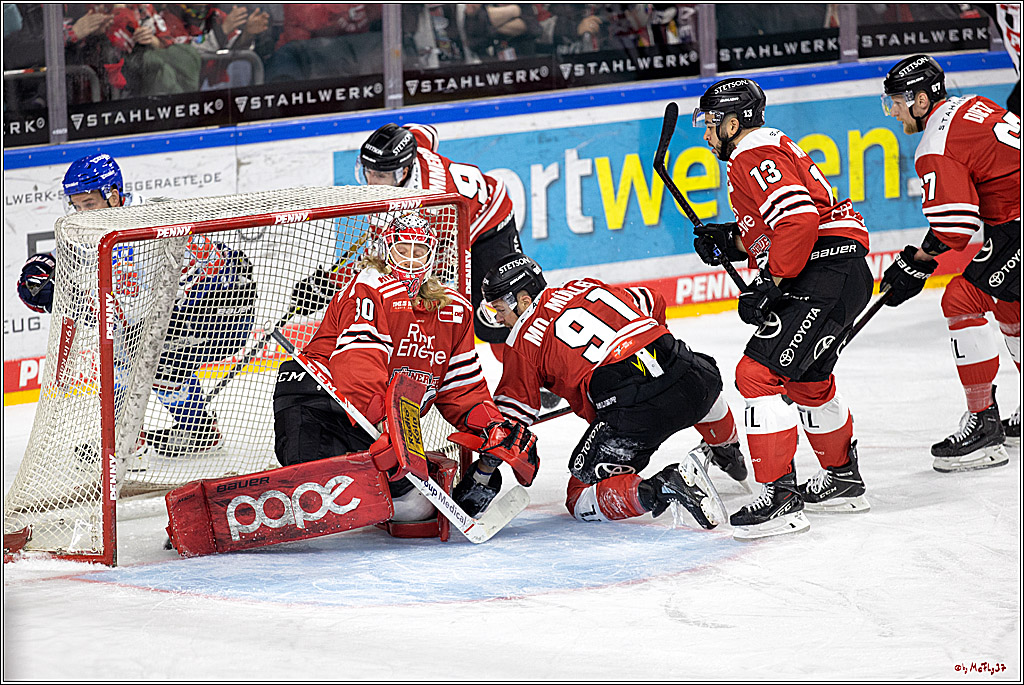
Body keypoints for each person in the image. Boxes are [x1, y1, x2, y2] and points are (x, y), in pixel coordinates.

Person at [273, 211, 539, 534]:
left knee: (419, 506)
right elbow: (357, 369)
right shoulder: (370, 286)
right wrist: (385, 426)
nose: (411, 262)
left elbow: (463, 390)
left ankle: (350, 489)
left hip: (377, 426)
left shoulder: (453, 312)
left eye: (419, 252)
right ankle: (297, 493)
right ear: (386, 250)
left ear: (432, 257)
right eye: (402, 250)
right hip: (320, 406)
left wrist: (493, 429)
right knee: (328, 480)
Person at [691, 77, 874, 540]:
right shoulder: (768, 147)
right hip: (844, 271)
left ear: (734, 122)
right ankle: (844, 482)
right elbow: (781, 222)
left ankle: (779, 498)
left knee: (756, 375)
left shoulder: (752, 154)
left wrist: (770, 280)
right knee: (808, 379)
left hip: (823, 274)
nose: (708, 135)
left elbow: (797, 220)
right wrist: (732, 242)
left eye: (712, 125)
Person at [481, 252, 748, 530]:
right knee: (695, 380)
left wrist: (483, 471)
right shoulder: (583, 286)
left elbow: (511, 418)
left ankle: (662, 488)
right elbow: (653, 299)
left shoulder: (521, 342)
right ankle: (728, 451)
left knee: (579, 498)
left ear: (523, 301)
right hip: (694, 378)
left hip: (637, 411)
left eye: (499, 308)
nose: (498, 318)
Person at [16, 153, 256, 459]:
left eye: (88, 204)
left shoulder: (141, 227)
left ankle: (140, 438)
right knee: (131, 349)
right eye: (75, 205)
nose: (81, 212)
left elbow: (125, 312)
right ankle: (188, 432)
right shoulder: (107, 219)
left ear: (114, 195)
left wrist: (71, 299)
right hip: (189, 306)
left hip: (221, 310)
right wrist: (48, 266)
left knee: (137, 350)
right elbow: (79, 253)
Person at [879, 54, 1021, 472]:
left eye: (898, 103)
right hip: (1011, 223)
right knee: (1008, 303)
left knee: (961, 300)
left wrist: (915, 263)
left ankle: (983, 428)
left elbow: (955, 226)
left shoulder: (935, 143)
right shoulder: (972, 104)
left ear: (921, 101)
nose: (894, 112)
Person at [356, 122, 553, 401]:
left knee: (498, 312)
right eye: (370, 172)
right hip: (456, 224)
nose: (373, 182)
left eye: (382, 175)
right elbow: (426, 132)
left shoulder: (432, 203)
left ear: (404, 170)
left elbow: (425, 263)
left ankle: (539, 373)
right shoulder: (411, 149)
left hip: (488, 223)